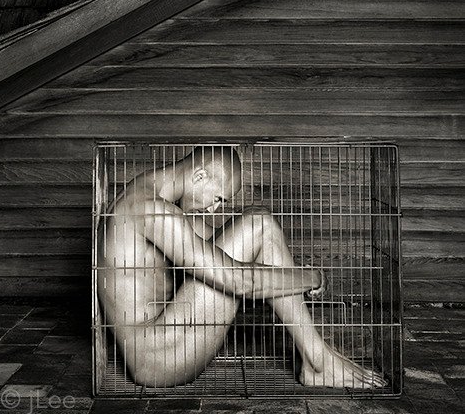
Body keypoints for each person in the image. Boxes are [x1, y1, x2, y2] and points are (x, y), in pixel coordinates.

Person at [97, 146, 385, 389]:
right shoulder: (152, 210)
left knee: (258, 225)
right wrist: (312, 277)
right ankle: (319, 361)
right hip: (159, 358)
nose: (214, 209)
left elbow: (222, 250)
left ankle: (317, 360)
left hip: (164, 345)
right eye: (218, 198)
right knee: (259, 224)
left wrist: (292, 274)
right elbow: (240, 282)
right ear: (199, 176)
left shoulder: (148, 197)